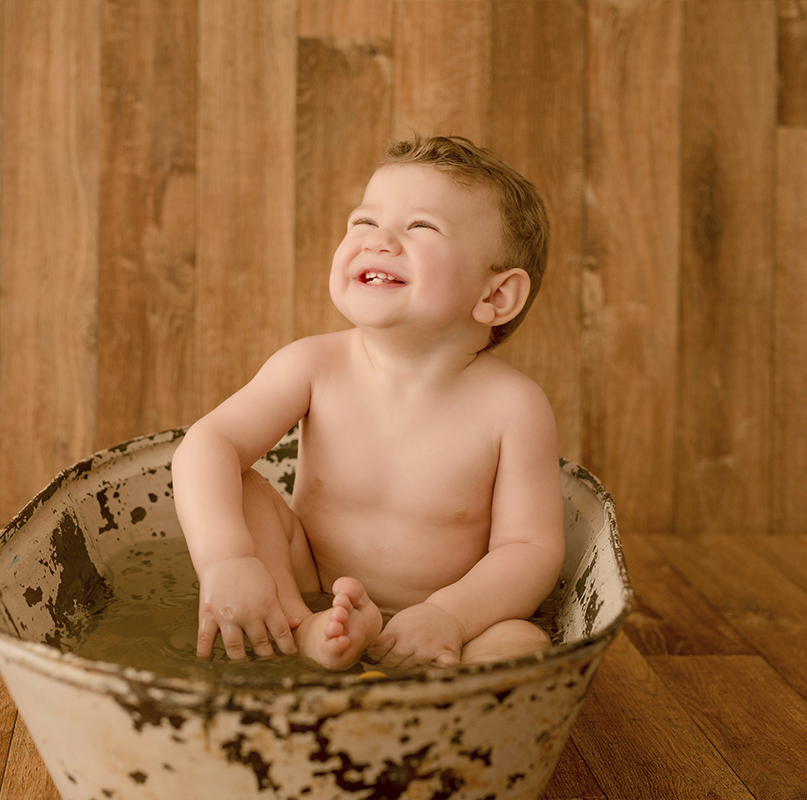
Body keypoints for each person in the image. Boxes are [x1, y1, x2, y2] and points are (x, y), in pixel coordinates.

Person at [172, 135, 564, 671]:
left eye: (420, 226)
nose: (377, 240)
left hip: (452, 617)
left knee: (519, 644)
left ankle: (446, 696)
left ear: (494, 296)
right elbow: (208, 443)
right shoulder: (312, 365)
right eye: (363, 221)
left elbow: (529, 549)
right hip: (308, 584)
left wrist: (450, 615)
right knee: (237, 485)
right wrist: (227, 559)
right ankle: (302, 628)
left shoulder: (513, 407)